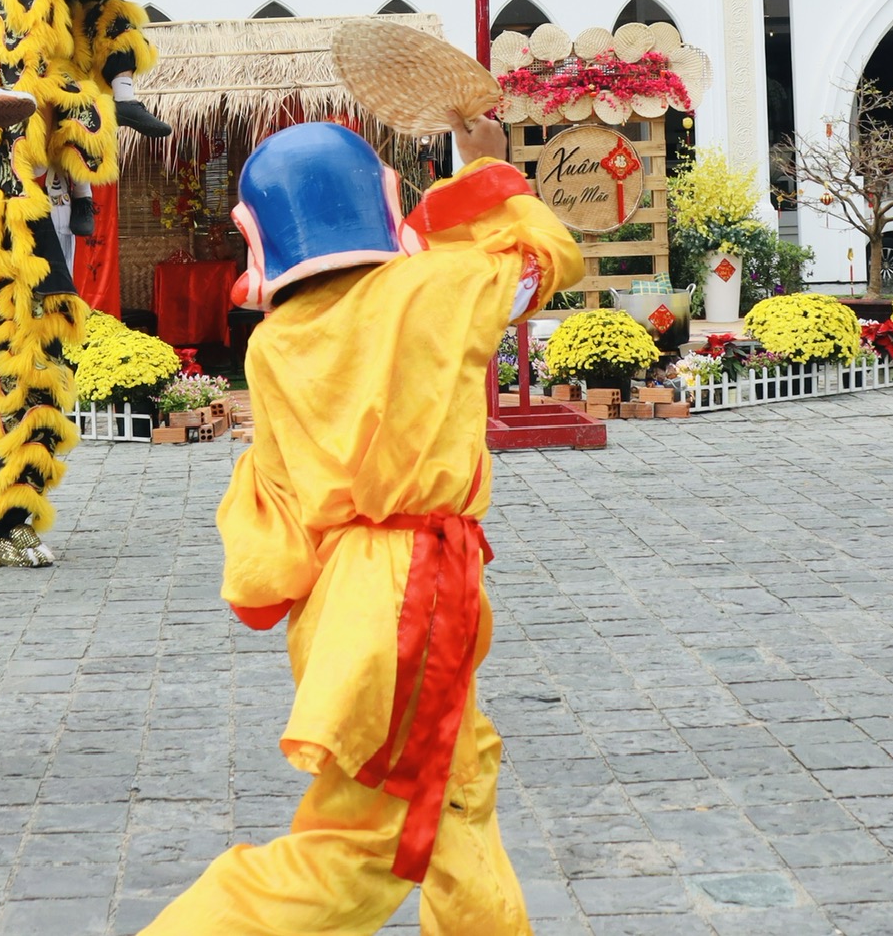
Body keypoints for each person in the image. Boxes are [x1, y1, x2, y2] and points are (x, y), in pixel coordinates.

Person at [139, 114, 579, 934]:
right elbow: (540, 264)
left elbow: (271, 510)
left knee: (458, 785)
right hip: (414, 590)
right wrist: (484, 169)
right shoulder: (433, 292)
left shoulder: (272, 347)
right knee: (364, 839)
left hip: (343, 599)